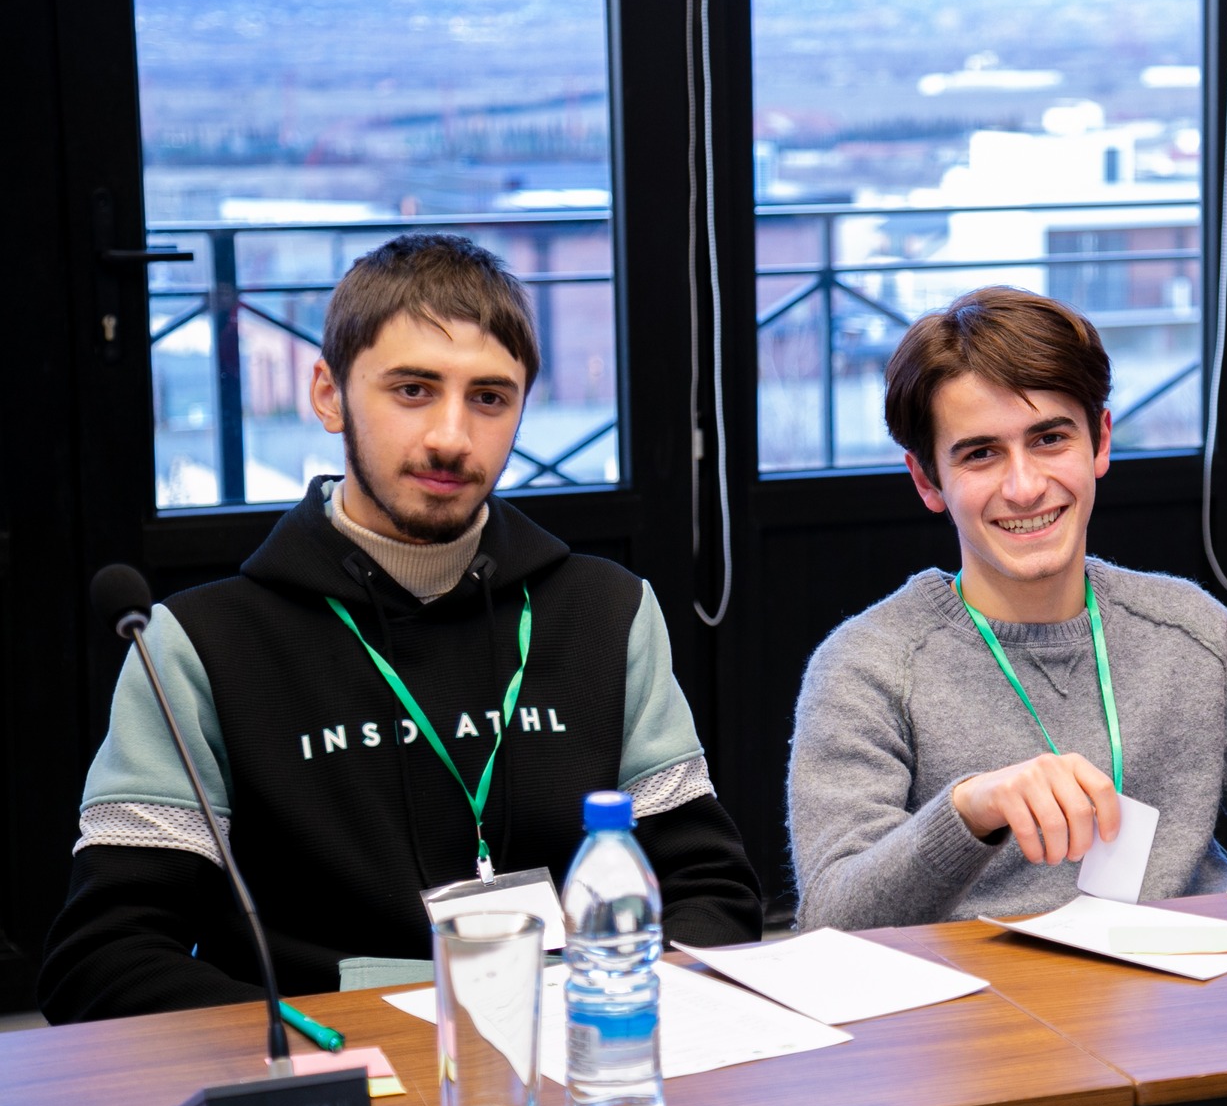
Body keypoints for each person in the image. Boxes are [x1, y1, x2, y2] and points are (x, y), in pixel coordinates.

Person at [39, 233, 761, 1023]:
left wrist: (600, 1019)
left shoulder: (609, 613)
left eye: (490, 398)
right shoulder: (198, 645)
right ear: (328, 395)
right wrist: (343, 1044)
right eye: (413, 389)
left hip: (567, 1055)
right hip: (333, 1068)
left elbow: (710, 891)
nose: (452, 436)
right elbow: (103, 958)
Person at [787, 287, 1227, 1106]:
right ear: (927, 480)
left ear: (1101, 441)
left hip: (1209, 1054)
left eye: (1050, 438)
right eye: (980, 453)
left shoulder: (1187, 630)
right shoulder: (870, 665)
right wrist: (967, 812)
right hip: (1003, 1085)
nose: (1025, 485)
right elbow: (828, 925)